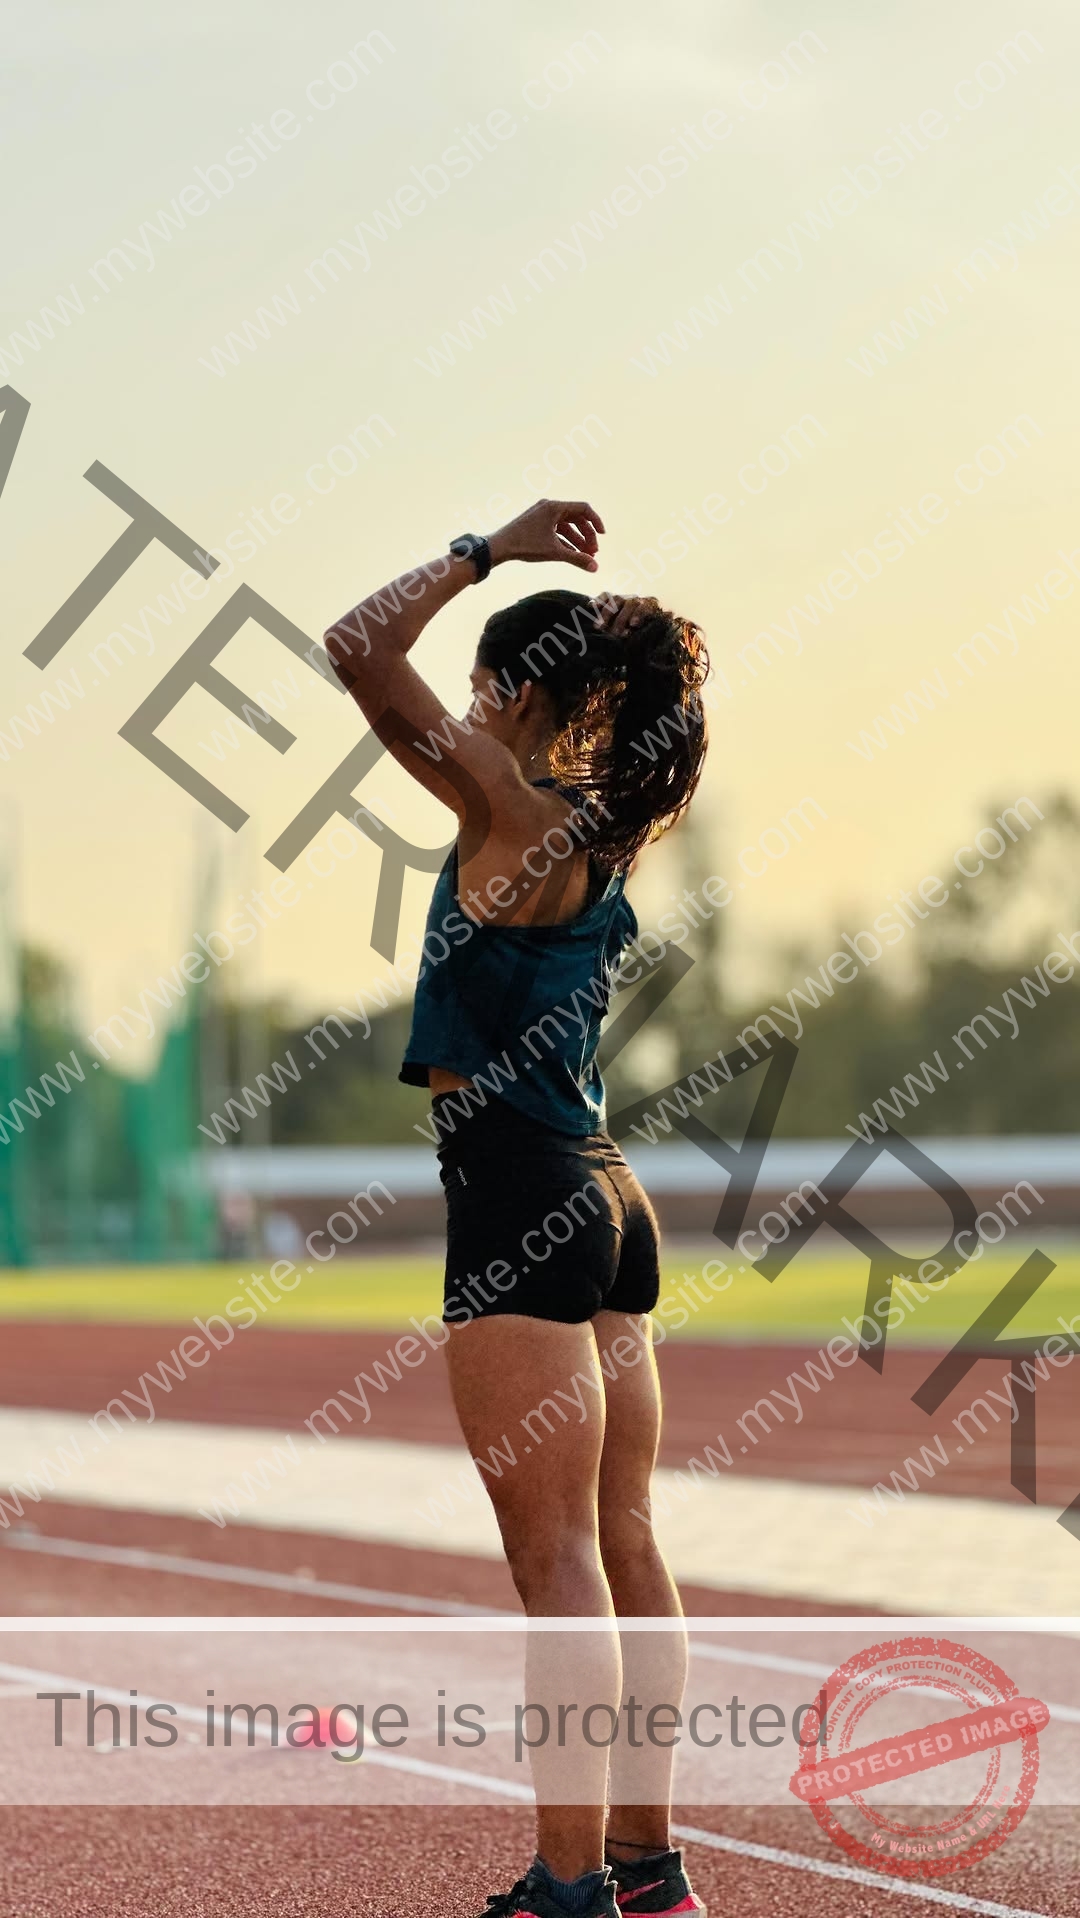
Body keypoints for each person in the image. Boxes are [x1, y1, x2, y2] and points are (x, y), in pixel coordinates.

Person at [325, 500, 709, 1918]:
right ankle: (645, 1866)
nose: (465, 707)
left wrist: (487, 550)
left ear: (516, 696)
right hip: (610, 1197)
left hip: (520, 1196)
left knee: (556, 1563)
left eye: (484, 686)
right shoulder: (604, 831)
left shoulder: (509, 801)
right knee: (624, 1536)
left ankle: (566, 1888)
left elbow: (357, 649)